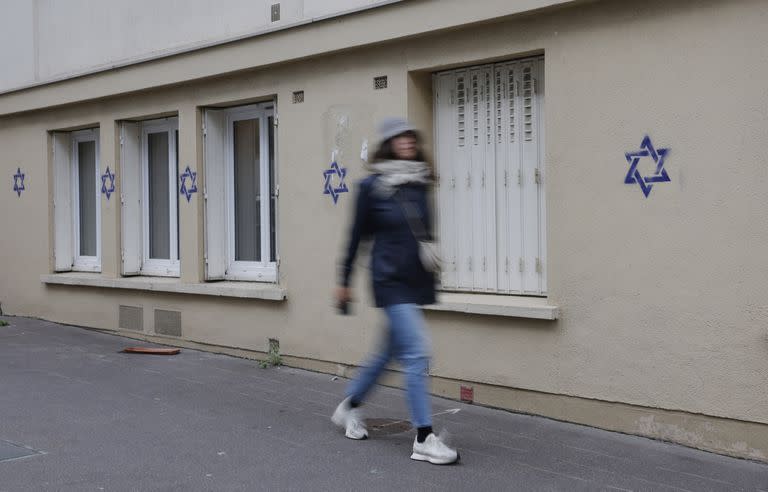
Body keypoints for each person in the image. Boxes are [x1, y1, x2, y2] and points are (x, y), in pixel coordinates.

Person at [331, 117, 459, 465]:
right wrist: (343, 280)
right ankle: (423, 437)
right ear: (388, 144)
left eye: (410, 138)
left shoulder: (418, 184)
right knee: (417, 353)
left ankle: (349, 406)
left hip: (413, 281)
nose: (406, 143)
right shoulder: (371, 188)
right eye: (399, 138)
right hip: (388, 281)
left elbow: (422, 235)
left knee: (387, 354)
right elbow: (356, 238)